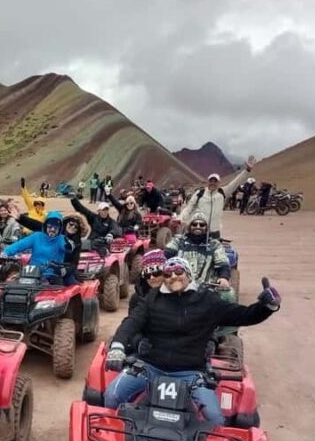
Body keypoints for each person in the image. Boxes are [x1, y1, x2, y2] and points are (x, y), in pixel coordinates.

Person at [103, 257, 281, 420]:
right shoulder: (152, 298)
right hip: (150, 367)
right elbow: (131, 323)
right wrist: (117, 346)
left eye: (178, 271)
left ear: (188, 274)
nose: (173, 276)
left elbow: (243, 315)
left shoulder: (208, 300)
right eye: (168, 274)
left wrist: (267, 307)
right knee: (112, 395)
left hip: (191, 372)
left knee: (215, 418)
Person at [164, 211, 231, 288]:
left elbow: (223, 263)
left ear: (206, 228)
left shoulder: (214, 244)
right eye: (194, 224)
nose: (198, 226)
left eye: (202, 225)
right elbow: (166, 255)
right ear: (189, 226)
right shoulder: (179, 241)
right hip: (180, 285)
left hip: (206, 288)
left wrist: (224, 278)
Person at [3, 211, 68, 282]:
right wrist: (5, 253)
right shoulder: (37, 236)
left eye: (55, 228)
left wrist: (65, 267)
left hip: (52, 276)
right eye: (50, 227)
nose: (52, 230)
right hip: (32, 274)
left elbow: (71, 251)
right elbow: (19, 245)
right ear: (45, 226)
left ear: (60, 228)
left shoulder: (63, 240)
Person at [179, 173, 227, 238]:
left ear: (219, 183)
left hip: (215, 230)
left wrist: (243, 172)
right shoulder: (200, 193)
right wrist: (180, 218)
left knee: (215, 244)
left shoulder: (222, 193)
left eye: (215, 181)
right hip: (200, 229)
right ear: (207, 182)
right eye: (211, 181)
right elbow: (189, 208)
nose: (213, 183)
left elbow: (236, 183)